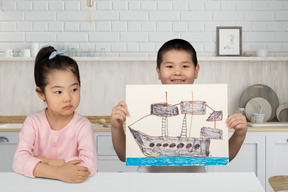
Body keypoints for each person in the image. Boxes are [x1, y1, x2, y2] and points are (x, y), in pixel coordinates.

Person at [111, 39, 247, 172]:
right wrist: (116, 126)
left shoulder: (207, 102)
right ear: (158, 71)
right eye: (170, 66)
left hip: (195, 184)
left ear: (196, 70)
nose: (177, 72)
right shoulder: (141, 104)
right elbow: (124, 156)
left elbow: (225, 156)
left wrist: (240, 134)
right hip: (148, 183)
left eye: (185, 66)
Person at [13, 46, 97, 182]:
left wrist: (47, 162)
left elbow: (90, 166)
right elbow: (18, 161)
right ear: (41, 93)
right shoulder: (33, 122)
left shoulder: (82, 125)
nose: (68, 98)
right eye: (59, 92)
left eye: (74, 89)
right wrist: (59, 172)